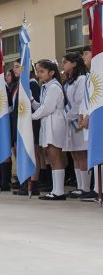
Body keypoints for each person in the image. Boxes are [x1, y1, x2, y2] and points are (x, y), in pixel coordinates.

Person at [30, 59, 67, 200]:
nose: (39, 74)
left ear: (51, 72)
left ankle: (59, 191)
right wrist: (32, 101)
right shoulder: (46, 86)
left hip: (54, 124)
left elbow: (47, 108)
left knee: (55, 157)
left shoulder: (54, 87)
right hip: (48, 124)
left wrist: (31, 118)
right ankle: (55, 189)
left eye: (41, 71)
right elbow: (42, 106)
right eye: (37, 71)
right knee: (51, 158)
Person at [60, 53, 91, 198]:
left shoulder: (82, 79)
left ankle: (85, 187)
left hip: (77, 121)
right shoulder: (68, 81)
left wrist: (67, 117)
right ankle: (79, 186)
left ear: (74, 64)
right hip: (69, 122)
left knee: (81, 154)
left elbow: (79, 102)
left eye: (65, 62)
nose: (63, 65)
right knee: (74, 155)